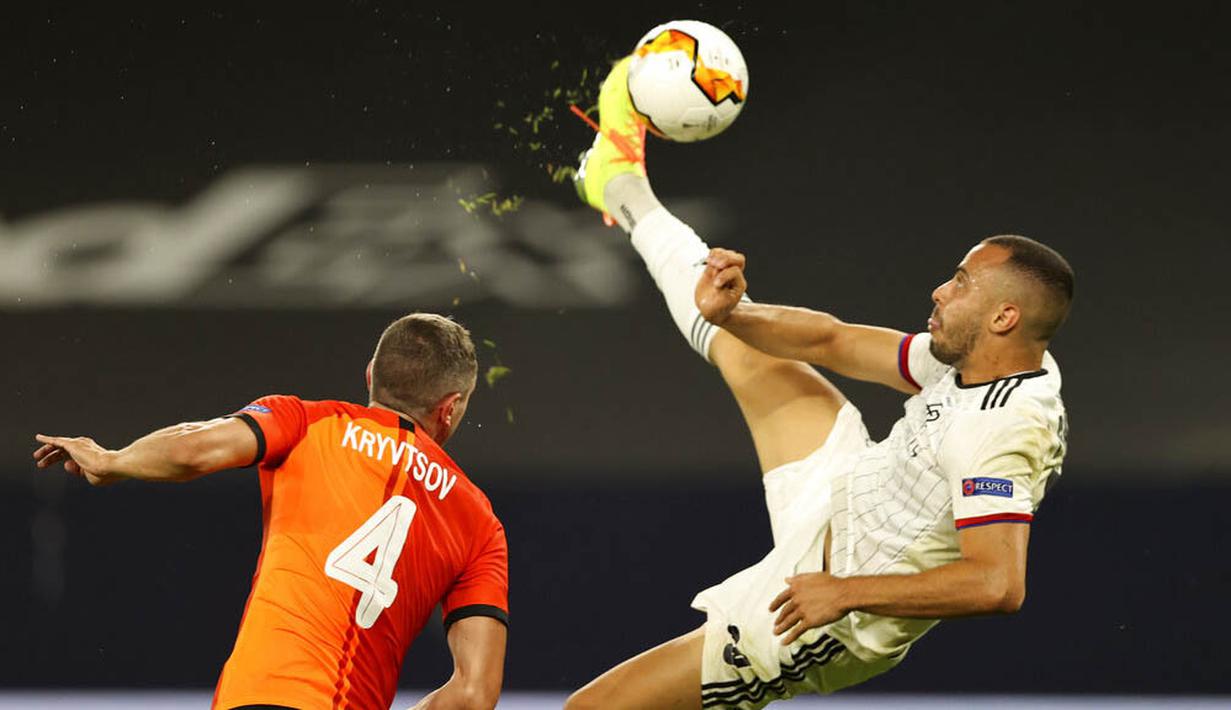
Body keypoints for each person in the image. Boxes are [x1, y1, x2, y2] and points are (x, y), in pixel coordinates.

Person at [566, 57, 1073, 709]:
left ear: (1004, 317)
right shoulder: (978, 355)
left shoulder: (1000, 431)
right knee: (739, 343)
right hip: (842, 489)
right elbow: (831, 340)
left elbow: (997, 583)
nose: (940, 289)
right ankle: (622, 188)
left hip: (833, 605)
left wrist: (841, 592)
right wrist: (734, 313)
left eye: (962, 283)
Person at [33, 313, 508, 710]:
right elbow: (474, 692)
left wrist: (116, 461)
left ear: (370, 374)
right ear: (450, 408)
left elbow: (198, 448)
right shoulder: (480, 522)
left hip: (256, 698)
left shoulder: (307, 421)